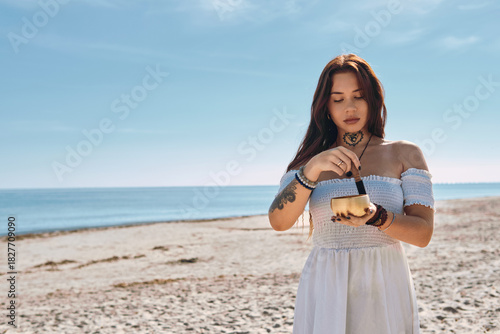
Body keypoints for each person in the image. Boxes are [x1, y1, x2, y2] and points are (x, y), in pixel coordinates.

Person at [268, 53, 435, 333]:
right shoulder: (307, 164)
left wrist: (376, 217)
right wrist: (312, 170)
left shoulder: (404, 153)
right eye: (338, 99)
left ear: (373, 100)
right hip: (326, 285)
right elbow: (278, 222)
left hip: (384, 281)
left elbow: (423, 234)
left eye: (359, 96)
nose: (350, 107)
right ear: (326, 106)